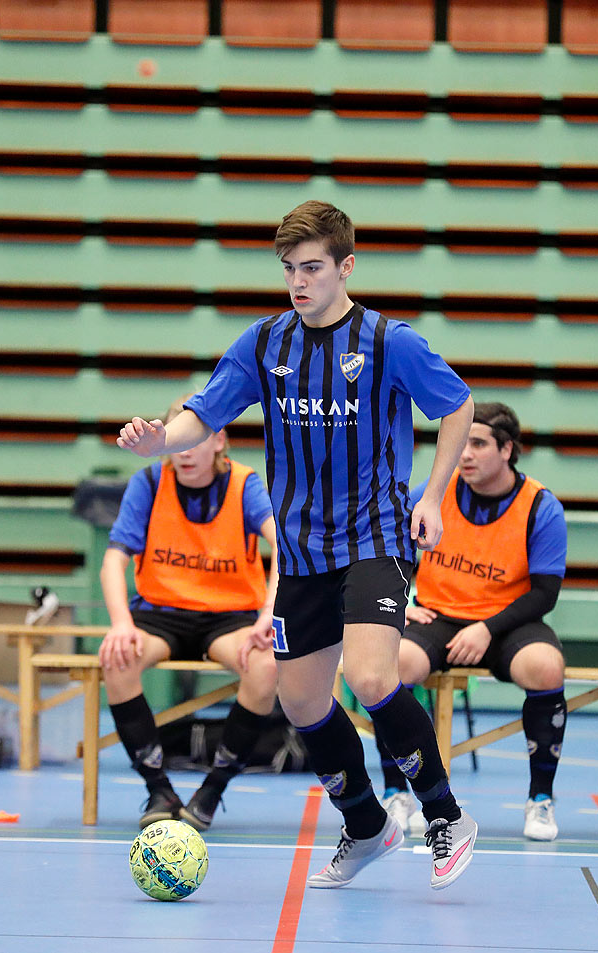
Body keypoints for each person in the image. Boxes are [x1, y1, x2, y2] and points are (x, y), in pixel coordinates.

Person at [117, 201, 480, 891]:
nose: (299, 281)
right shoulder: (264, 344)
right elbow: (205, 412)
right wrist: (158, 440)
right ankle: (366, 824)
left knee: (373, 679)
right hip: (304, 549)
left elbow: (457, 404)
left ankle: (444, 815)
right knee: (303, 702)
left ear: (346, 266)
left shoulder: (387, 341)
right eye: (289, 269)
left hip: (375, 534)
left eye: (312, 267)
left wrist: (431, 496)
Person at [374, 402, 568, 842]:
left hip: (508, 622)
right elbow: (389, 548)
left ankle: (540, 799)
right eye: (462, 443)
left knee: (545, 667)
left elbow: (545, 594)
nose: (465, 454)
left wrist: (486, 628)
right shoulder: (435, 492)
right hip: (438, 615)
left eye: (477, 444)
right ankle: (395, 792)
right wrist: (399, 600)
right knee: (390, 666)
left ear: (507, 450)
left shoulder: (541, 507)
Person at [99, 395, 281, 831]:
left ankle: (213, 789)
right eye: (173, 438)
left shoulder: (245, 484)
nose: (183, 449)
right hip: (161, 613)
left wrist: (268, 614)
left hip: (230, 615)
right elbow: (112, 561)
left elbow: (286, 550)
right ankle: (158, 788)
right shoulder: (148, 482)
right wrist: (121, 624)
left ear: (218, 440)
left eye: (193, 438)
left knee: (266, 665)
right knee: (116, 660)